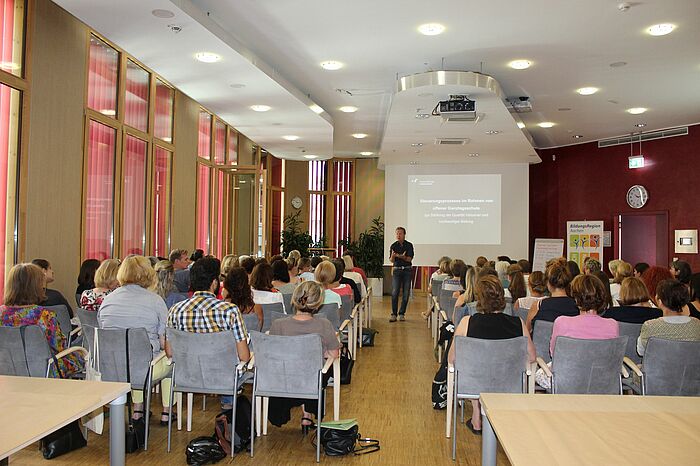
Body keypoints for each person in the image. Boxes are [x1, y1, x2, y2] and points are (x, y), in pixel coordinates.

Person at [448, 275, 536, 434]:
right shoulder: (518, 324)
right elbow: (531, 357)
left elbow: (452, 359)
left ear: (479, 299)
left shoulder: (467, 323)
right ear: (501, 297)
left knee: (476, 368)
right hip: (508, 383)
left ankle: (476, 417)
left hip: (474, 383)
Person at [97, 255, 174, 424]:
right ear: (149, 274)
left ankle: (138, 409)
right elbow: (164, 342)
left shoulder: (107, 301)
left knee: (133, 356)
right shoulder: (155, 301)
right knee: (170, 361)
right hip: (145, 370)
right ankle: (167, 412)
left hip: (111, 368)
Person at [169, 257, 250, 410]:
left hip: (186, 375)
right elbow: (244, 357)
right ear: (214, 283)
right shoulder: (230, 310)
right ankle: (228, 410)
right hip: (223, 376)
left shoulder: (175, 310)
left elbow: (169, 351)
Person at [267, 281, 341, 431]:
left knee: (299, 366)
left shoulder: (278, 324)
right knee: (318, 367)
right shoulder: (324, 324)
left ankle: (306, 414)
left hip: (284, 379)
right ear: (318, 302)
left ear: (294, 298)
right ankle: (307, 414)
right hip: (312, 379)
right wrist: (320, 351)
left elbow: (273, 353)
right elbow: (334, 354)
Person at [535, 274, 620, 389]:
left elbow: (554, 353)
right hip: (600, 381)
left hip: (568, 381)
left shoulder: (562, 322)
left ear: (575, 297)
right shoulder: (612, 325)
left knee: (539, 373)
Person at [1, 263, 83, 377]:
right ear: (35, 286)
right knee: (81, 356)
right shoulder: (43, 316)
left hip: (8, 371)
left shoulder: (1, 314)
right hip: (43, 371)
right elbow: (60, 348)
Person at [637, 279, 700, 356]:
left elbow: (641, 351)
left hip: (658, 367)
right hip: (690, 368)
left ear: (659, 301)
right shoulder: (697, 324)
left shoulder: (650, 326)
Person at [527, 258, 578, 332]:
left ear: (548, 282)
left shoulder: (538, 306)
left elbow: (528, 332)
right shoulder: (577, 306)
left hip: (540, 343)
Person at [222, 266, 263, 331]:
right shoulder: (256, 308)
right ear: (247, 283)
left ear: (227, 283)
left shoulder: (222, 307)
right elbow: (258, 331)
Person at [389, 226, 413, 322]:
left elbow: (409, 259)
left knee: (406, 293)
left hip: (407, 270)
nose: (398, 235)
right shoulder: (393, 246)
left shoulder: (409, 245)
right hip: (397, 270)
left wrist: (402, 257)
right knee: (395, 292)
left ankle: (402, 313)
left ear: (404, 235)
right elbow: (391, 260)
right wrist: (393, 256)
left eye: (400, 233)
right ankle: (394, 314)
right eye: (397, 233)